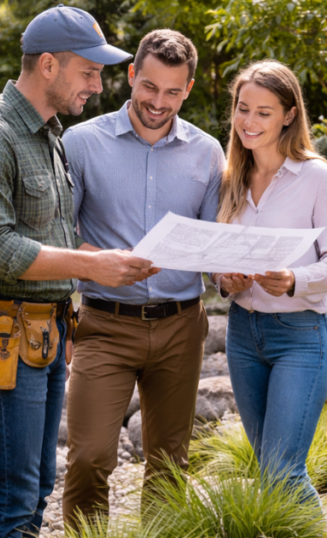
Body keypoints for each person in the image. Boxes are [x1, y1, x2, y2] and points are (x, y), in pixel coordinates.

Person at [0, 5, 157, 537]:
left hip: (52, 334)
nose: (99, 86)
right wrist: (90, 265)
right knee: (11, 498)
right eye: (89, 72)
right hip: (8, 338)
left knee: (38, 487)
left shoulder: (50, 134)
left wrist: (106, 258)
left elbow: (46, 234)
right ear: (47, 66)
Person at [60, 29, 225, 532]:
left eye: (172, 92)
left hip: (182, 326)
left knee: (171, 461)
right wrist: (98, 260)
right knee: (88, 456)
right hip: (104, 325)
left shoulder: (208, 152)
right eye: (149, 87)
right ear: (132, 76)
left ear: (188, 89)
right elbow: (58, 234)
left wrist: (232, 273)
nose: (158, 102)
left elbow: (215, 245)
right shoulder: (80, 142)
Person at [214, 59, 327, 506]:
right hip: (242, 335)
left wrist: (296, 278)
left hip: (301, 336)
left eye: (264, 112)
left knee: (283, 470)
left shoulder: (317, 177)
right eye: (244, 109)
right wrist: (226, 279)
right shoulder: (230, 179)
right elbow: (216, 258)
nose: (249, 122)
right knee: (267, 466)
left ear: (289, 114)